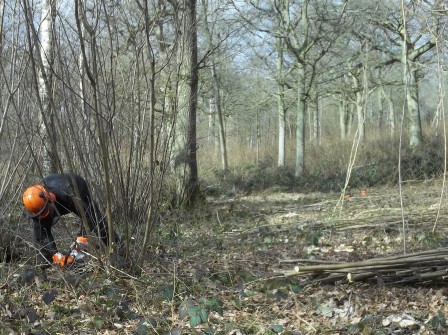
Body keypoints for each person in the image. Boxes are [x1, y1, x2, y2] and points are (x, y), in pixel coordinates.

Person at [22, 173, 121, 268]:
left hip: (76, 185)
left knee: (95, 220)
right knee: (39, 228)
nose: (46, 214)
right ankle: (44, 265)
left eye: (47, 210)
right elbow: (41, 236)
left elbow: (88, 217)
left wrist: (80, 241)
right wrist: (55, 255)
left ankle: (118, 247)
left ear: (50, 198)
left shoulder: (70, 195)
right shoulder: (35, 205)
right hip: (53, 190)